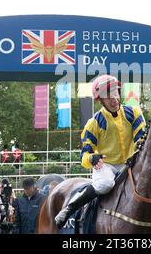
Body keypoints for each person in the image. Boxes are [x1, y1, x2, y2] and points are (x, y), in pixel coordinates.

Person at [54, 74, 146, 228]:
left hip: (130, 164)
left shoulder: (134, 112)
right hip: (107, 166)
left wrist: (138, 151)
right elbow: (84, 156)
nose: (114, 98)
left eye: (116, 93)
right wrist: (93, 158)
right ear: (100, 100)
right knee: (104, 185)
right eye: (108, 96)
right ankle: (69, 208)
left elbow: (141, 139)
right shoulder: (93, 123)